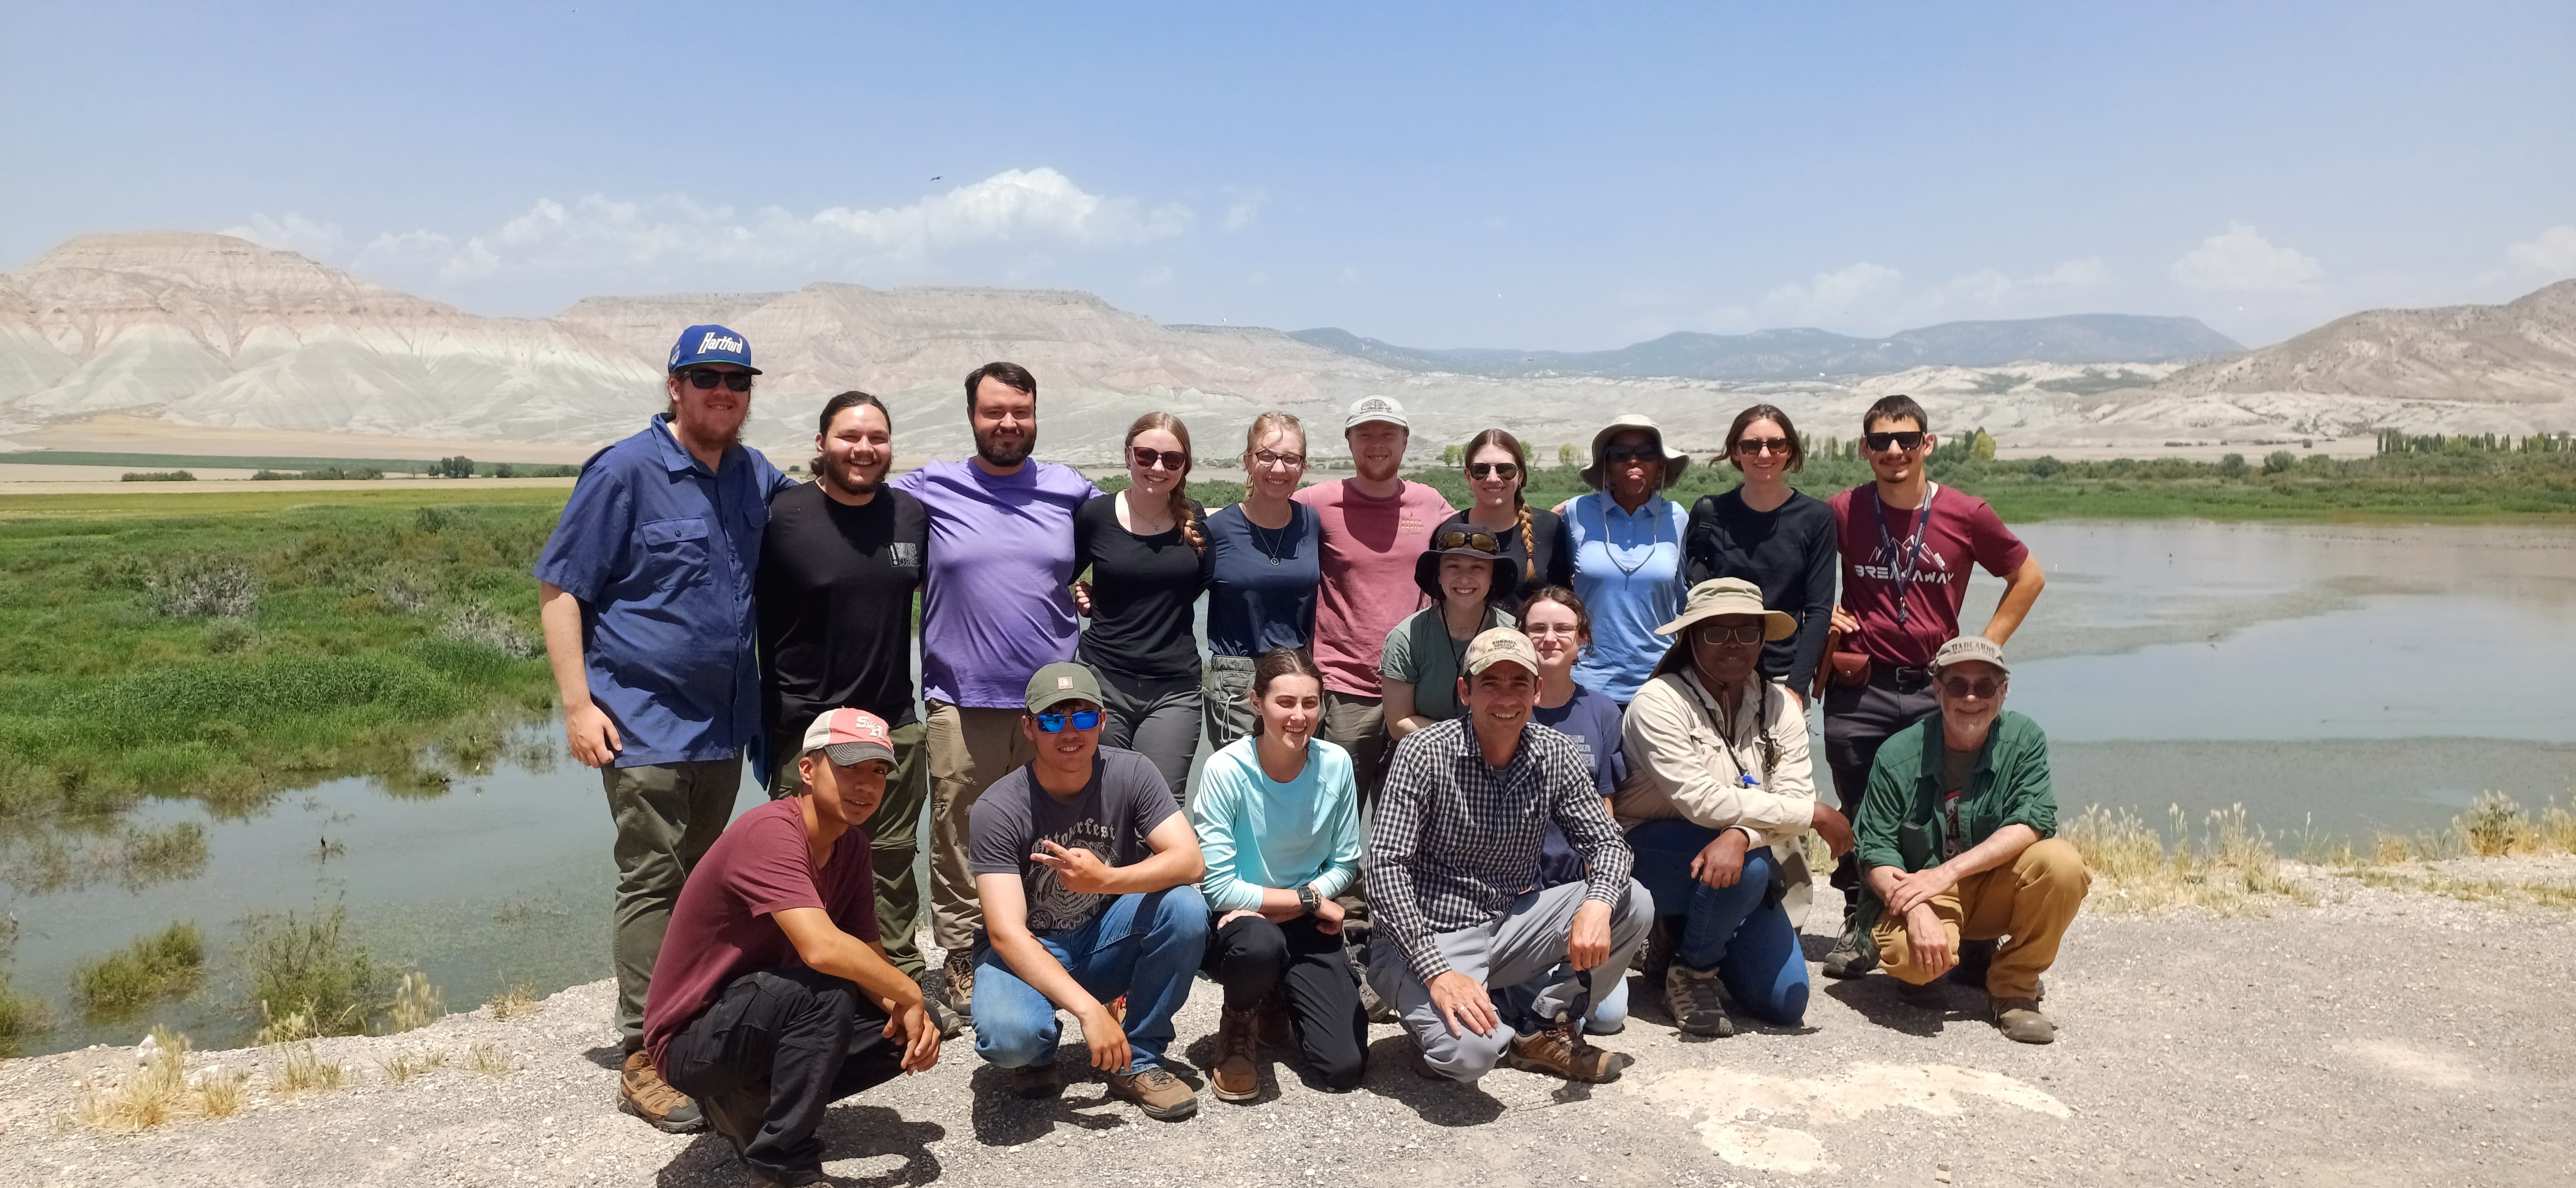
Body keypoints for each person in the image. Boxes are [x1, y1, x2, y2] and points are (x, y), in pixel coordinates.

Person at [534, 323, 793, 1133]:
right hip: (641, 721)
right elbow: (560, 588)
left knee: (701, 881)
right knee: (653, 876)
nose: (724, 391)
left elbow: (829, 514)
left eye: (737, 379)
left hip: (724, 724)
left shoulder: (755, 474)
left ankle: (693, 1020)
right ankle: (644, 1054)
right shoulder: (625, 471)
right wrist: (579, 705)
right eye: (706, 376)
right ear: (674, 384)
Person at [646, 709, 942, 1185]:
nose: (866, 786)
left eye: (878, 772)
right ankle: (782, 1168)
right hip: (690, 1040)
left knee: (909, 1029)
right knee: (826, 992)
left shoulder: (852, 847)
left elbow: (869, 953)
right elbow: (823, 951)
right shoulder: (772, 832)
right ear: (808, 769)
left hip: (762, 1013)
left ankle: (750, 1101)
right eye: (849, 769)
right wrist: (910, 992)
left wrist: (911, 1012)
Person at [891, 362, 1101, 1017]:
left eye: (1021, 411)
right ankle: (960, 955)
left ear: (1036, 414)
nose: (1008, 423)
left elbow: (1126, 542)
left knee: (1053, 830)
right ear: (971, 416)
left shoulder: (1071, 490)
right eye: (994, 412)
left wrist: (1095, 592)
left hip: (1055, 704)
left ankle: (1037, 945)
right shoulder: (929, 486)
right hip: (962, 698)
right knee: (960, 833)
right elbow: (851, 498)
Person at [1819, 394, 2045, 979]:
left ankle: (1969, 928)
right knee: (1860, 809)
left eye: (1905, 438)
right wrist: (1821, 613)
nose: (1892, 450)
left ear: (1928, 442)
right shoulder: (1843, 510)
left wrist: (1983, 649)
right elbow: (1796, 569)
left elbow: (2028, 575)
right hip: (1861, 687)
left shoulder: (1966, 513)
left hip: (1935, 687)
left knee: (1953, 806)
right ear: (1864, 448)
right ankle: (1862, 918)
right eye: (1879, 441)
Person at [1366, 629, 1653, 1084]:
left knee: (1632, 900)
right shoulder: (1424, 751)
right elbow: (1384, 867)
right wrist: (1437, 972)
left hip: (1507, 921)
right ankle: (1433, 1007)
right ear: (1466, 691)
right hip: (1429, 934)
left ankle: (1543, 1028)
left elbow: (1608, 844)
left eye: (1519, 683)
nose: (1506, 697)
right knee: (1472, 1057)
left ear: (1537, 691)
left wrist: (1597, 903)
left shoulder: (1555, 753)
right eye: (1490, 683)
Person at [968, 662, 1210, 1121]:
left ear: (1101, 721)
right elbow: (1004, 933)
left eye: (1082, 717)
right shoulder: (998, 807)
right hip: (1031, 951)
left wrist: (1106, 881)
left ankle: (1139, 1059)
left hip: (1103, 939)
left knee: (1185, 906)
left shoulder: (1132, 773)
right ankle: (1039, 1050)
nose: (1069, 732)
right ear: (1029, 728)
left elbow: (1191, 862)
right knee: (1010, 1041)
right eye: (1053, 720)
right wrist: (1088, 1010)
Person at [1617, 578, 1855, 1037]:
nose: (1733, 644)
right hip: (1650, 853)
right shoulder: (1658, 703)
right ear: (1691, 637)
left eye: (1746, 631)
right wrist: (1814, 814)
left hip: (1734, 856)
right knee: (1751, 868)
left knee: (1787, 1002)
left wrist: (1742, 834)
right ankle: (1691, 970)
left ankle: (1686, 933)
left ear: (1763, 638)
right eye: (1715, 631)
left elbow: (1791, 795)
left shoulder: (1781, 705)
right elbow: (1703, 803)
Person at [756, 391, 932, 993]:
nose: (863, 449)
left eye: (877, 438)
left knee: (890, 859)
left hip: (892, 724)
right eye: (849, 437)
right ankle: (800, 992)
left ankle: (896, 979)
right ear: (821, 444)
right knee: (803, 864)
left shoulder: (911, 517)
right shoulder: (780, 517)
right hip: (808, 728)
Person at [1853, 637, 2085, 1044]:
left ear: (2004, 691)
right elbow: (1875, 855)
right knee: (1921, 966)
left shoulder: (2024, 738)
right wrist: (1917, 911)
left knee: (2063, 864)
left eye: (1986, 686)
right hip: (1922, 896)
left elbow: (2033, 822)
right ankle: (1938, 963)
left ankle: (2015, 990)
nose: (1972, 697)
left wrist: (1948, 872)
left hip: (1984, 886)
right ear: (1937, 689)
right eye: (1958, 685)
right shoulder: (1897, 755)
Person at [1190, 649, 1368, 1100]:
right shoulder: (1226, 769)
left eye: (1310, 703)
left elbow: (1345, 862)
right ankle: (1240, 1017)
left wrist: (1303, 900)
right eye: (1285, 702)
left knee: (1344, 1067)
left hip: (1305, 919)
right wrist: (1307, 901)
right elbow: (1217, 885)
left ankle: (1280, 994)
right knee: (1260, 944)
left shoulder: (1336, 764)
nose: (1298, 716)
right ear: (1256, 703)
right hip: (1241, 923)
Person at [1294, 396, 1455, 805]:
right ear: (1350, 442)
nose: (1377, 443)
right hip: (1346, 688)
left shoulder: (1430, 503)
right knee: (1333, 809)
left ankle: (1390, 872)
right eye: (1365, 433)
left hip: (1418, 687)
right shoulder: (1317, 501)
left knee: (1411, 812)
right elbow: (1260, 519)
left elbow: (1481, 540)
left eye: (1388, 433)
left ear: (1405, 442)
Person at [1074, 413, 1208, 799]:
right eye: (1146, 456)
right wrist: (1080, 595)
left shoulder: (1196, 520)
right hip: (1103, 680)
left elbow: (1196, 586)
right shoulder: (1096, 516)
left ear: (1185, 466)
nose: (1158, 467)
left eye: (1172, 460)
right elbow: (1057, 573)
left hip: (1174, 689)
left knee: (1160, 805)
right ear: (1129, 456)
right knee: (1098, 798)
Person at [1517, 586, 1630, 1034]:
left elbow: (1606, 804)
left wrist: (1598, 886)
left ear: (1582, 639)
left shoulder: (1602, 711)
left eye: (1563, 628)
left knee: (1606, 1018)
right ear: (1521, 636)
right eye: (1537, 628)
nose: (1550, 638)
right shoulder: (1503, 704)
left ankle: (1549, 1001)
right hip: (1515, 887)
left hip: (1574, 883)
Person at [1683, 404, 1836, 701]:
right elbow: (1691, 598)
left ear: (1790, 450)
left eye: (1776, 444)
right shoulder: (1709, 514)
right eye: (1752, 446)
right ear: (1736, 452)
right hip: (1714, 676)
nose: (1764, 455)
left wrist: (1796, 687)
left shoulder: (1816, 518)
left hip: (1782, 679)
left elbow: (1818, 610)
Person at [1199, 413, 1321, 752]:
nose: (1278, 469)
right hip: (1237, 682)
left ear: (1303, 465)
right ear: (1248, 461)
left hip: (1298, 674)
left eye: (1290, 458)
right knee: (1242, 787)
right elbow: (1173, 595)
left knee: (1295, 789)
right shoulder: (1218, 529)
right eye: (1266, 456)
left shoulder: (1311, 523)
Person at [1560, 414, 1692, 707]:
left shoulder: (1677, 518)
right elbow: (1556, 588)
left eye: (1646, 453)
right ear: (1607, 465)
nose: (1634, 461)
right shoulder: (1576, 512)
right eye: (1621, 454)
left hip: (1660, 680)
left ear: (1660, 464)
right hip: (1587, 679)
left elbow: (1683, 600)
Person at [1380, 533, 1519, 738]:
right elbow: (1399, 723)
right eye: (1453, 567)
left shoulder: (1515, 634)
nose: (1464, 579)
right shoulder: (1406, 638)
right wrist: (1466, 739)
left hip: (1500, 749)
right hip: (1423, 754)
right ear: (1438, 575)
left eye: (1477, 568)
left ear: (1492, 577)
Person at [1435, 429, 1571, 600]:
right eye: (1481, 470)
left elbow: (1564, 599)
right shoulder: (1449, 532)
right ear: (1468, 476)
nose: (1493, 478)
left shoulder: (1550, 527)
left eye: (1505, 470)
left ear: (1520, 476)